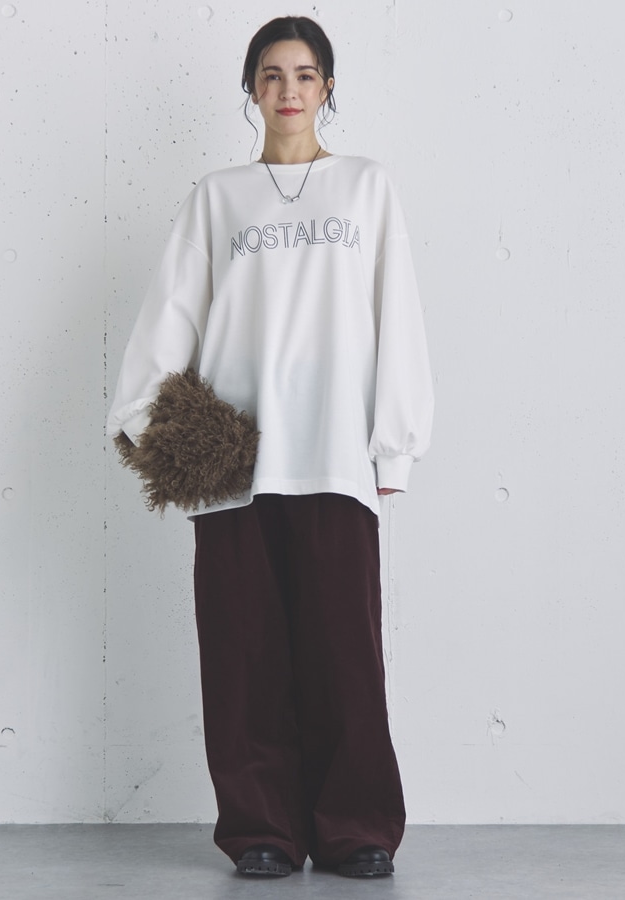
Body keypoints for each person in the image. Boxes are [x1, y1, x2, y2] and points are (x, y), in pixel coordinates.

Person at [107, 15, 434, 879]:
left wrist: (393, 445)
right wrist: (151, 426)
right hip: (236, 461)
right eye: (272, 75)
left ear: (328, 87)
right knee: (243, 654)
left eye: (305, 74)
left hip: (334, 451)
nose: (289, 90)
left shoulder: (366, 187)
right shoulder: (218, 197)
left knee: (345, 654)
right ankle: (262, 827)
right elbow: (173, 310)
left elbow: (395, 314)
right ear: (251, 90)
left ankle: (356, 827)